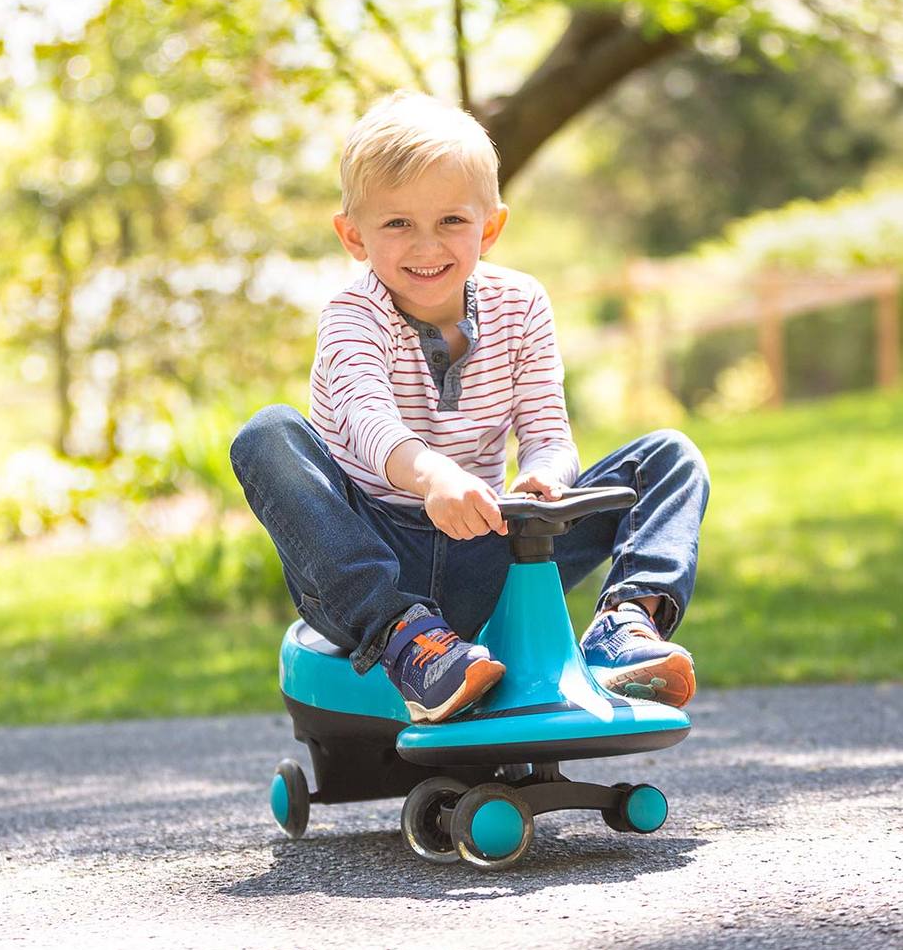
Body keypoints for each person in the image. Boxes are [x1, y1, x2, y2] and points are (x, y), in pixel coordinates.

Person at [230, 90, 710, 725]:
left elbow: (547, 429)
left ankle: (625, 627)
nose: (426, 246)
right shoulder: (352, 315)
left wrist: (545, 475)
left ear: (489, 227)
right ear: (353, 236)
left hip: (490, 543)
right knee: (267, 434)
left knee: (669, 456)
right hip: (374, 557)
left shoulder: (522, 304)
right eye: (397, 224)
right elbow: (366, 417)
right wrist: (434, 476)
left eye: (451, 221)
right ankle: (406, 639)